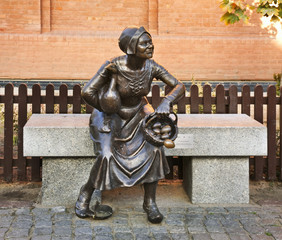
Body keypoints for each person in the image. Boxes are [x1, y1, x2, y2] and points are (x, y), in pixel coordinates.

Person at [75, 26, 185, 224]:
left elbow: (178, 85)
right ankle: (86, 192)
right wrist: (106, 107)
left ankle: (150, 203)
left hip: (137, 114)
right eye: (145, 43)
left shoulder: (151, 66)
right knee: (106, 155)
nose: (150, 46)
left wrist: (167, 101)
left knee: (155, 151)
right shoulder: (113, 65)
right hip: (110, 116)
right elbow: (87, 92)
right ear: (131, 47)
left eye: (150, 42)